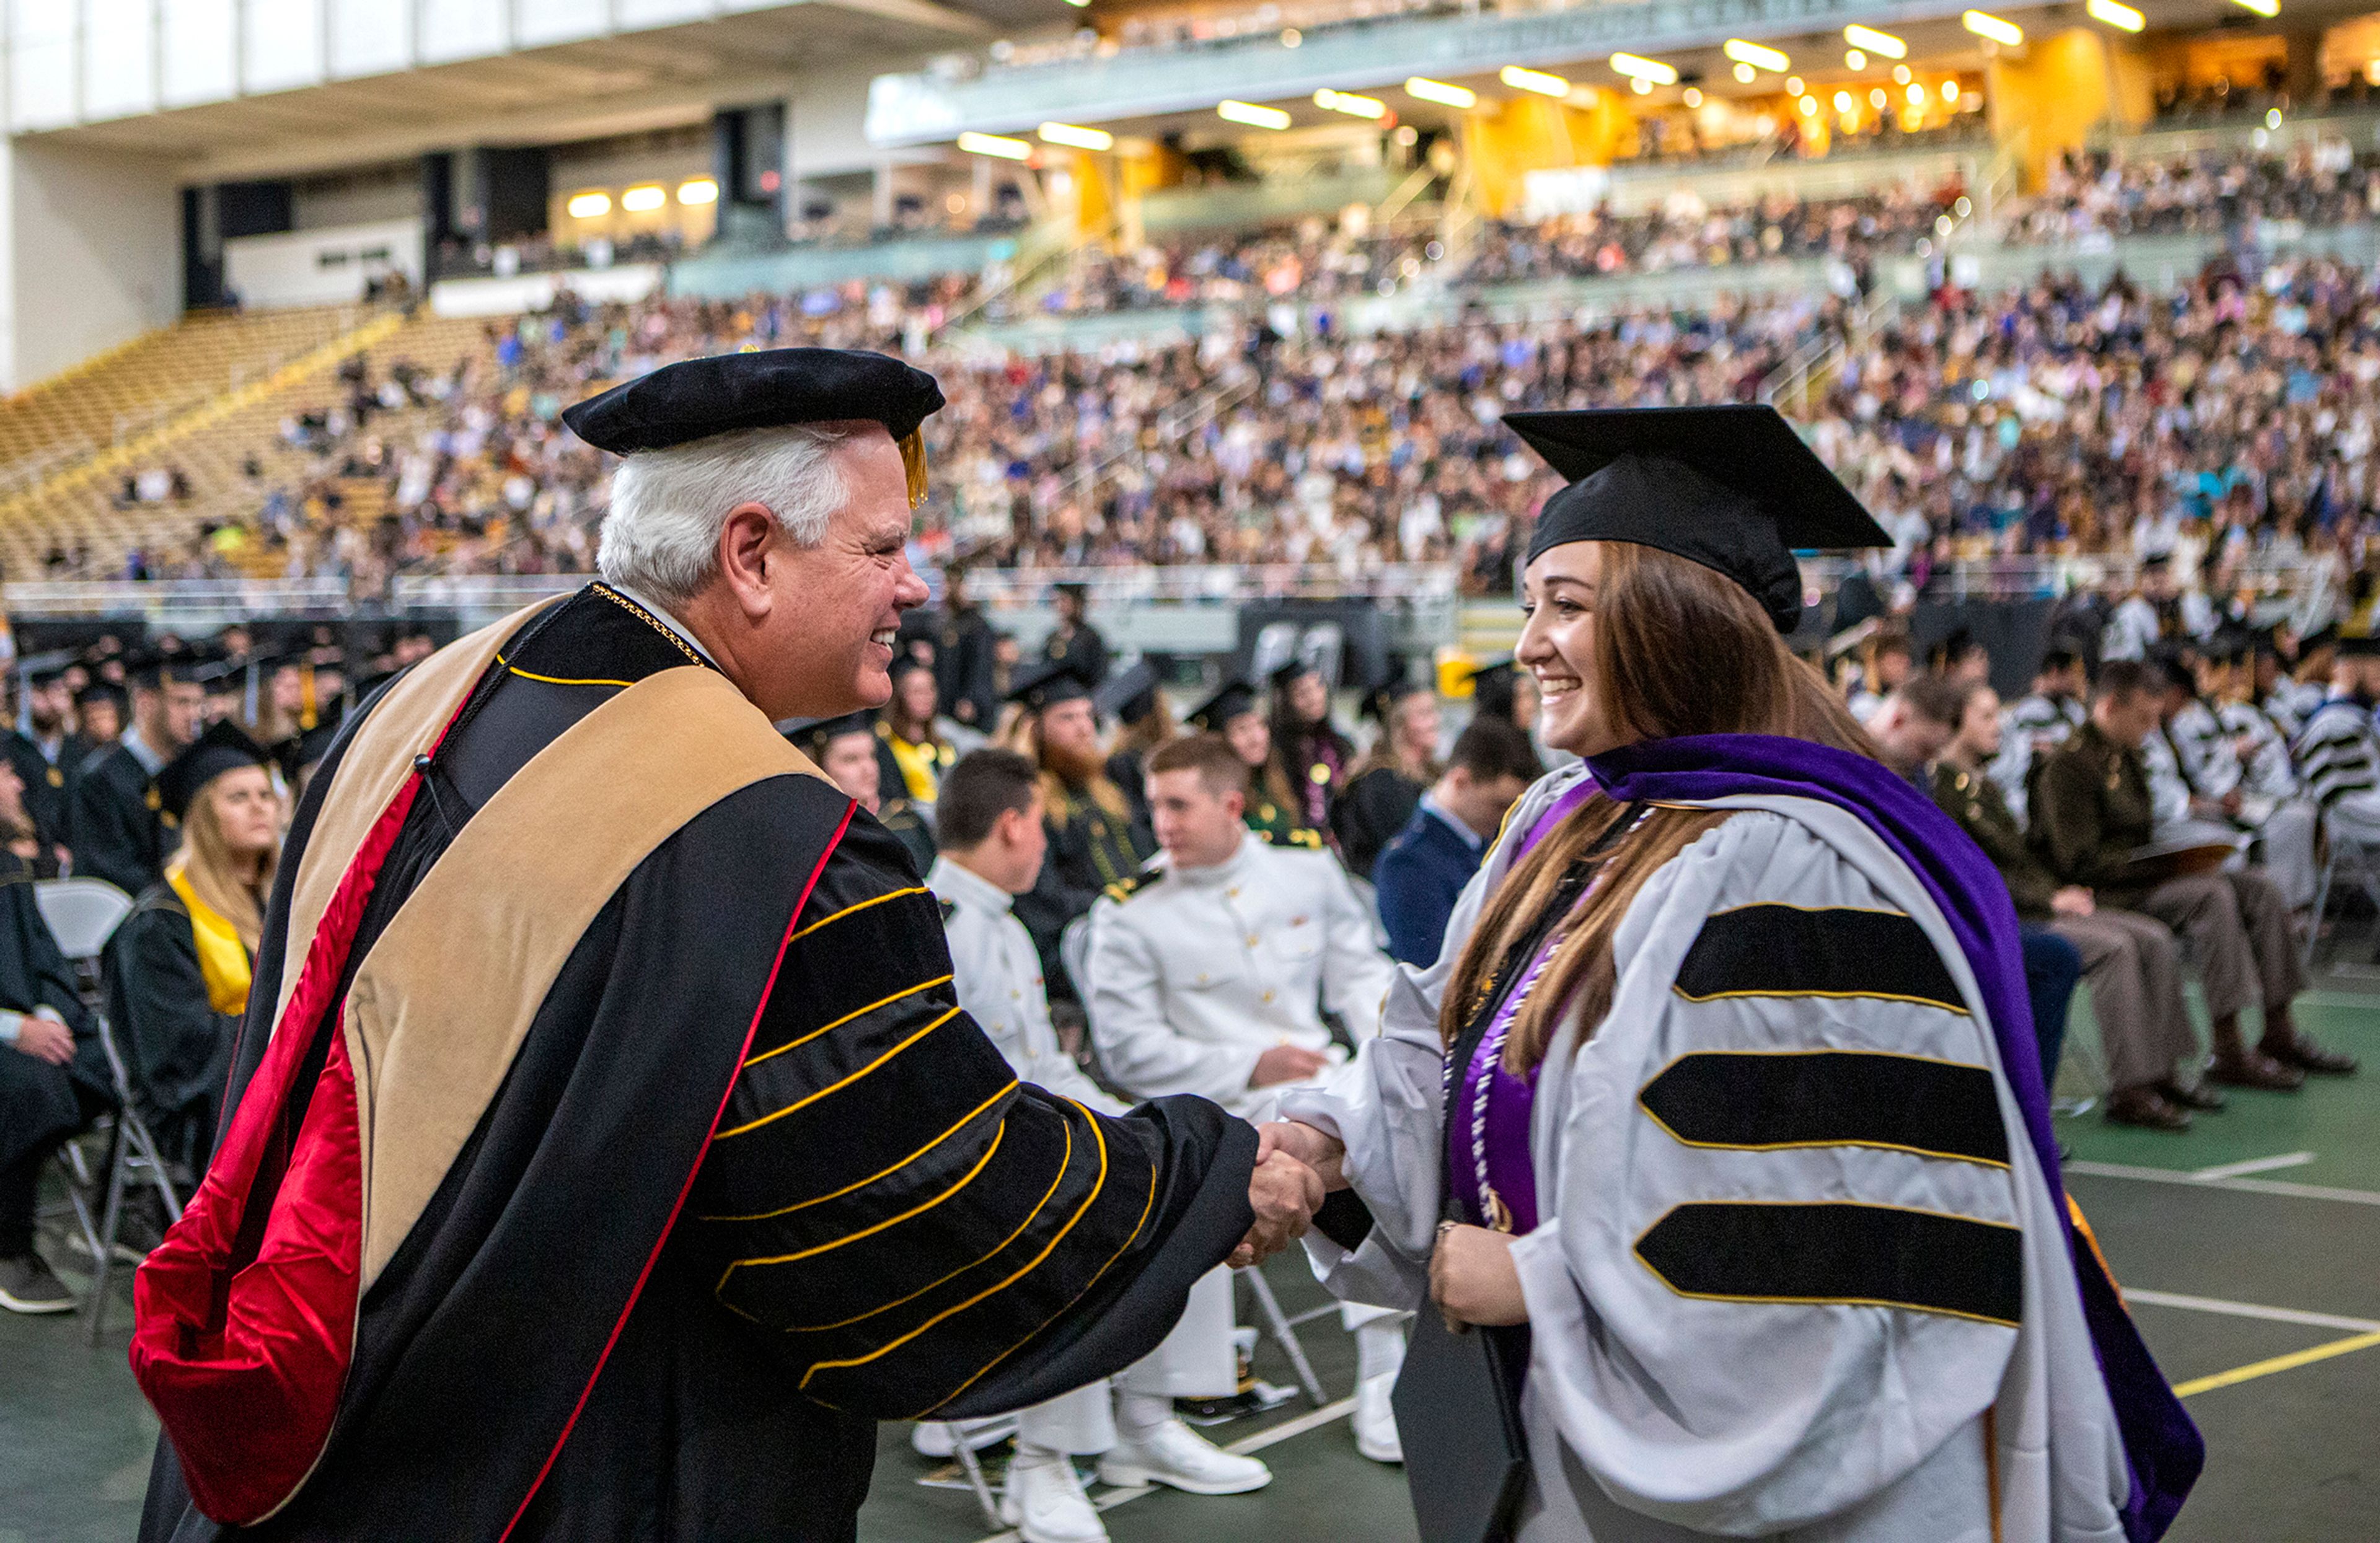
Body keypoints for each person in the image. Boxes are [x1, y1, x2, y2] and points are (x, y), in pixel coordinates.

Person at [131, 348, 1320, 1541]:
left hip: (325, 1422)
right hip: (577, 1468)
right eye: (881, 548)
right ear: (749, 555)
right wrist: (1205, 1176)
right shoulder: (770, 844)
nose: (914, 589)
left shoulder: (418, 707)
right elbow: (910, 1207)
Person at [1267, 403, 2198, 1542]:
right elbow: (1443, 1033)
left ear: (1680, 622)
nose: (1527, 646)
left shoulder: (1797, 861)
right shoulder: (1564, 818)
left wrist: (1541, 1283)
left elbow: (1847, 1210)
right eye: (1529, 607)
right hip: (1557, 1417)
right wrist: (1331, 1143)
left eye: (1566, 605)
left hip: (1729, 1477)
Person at [926, 750, 1271, 1542]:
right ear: (1013, 827)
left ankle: (1148, 1423)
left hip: (1025, 1138)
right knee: (1084, 1217)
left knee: (1200, 1170)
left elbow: (1044, 1066)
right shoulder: (941, 928)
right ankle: (1041, 1462)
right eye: (1040, 827)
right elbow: (952, 1089)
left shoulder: (1000, 925)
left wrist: (1137, 1121)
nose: (1045, 845)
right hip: (966, 1173)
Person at [1083, 732, 1409, 1467]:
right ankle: (1164, 1413)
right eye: (1154, 804)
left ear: (1232, 804)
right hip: (1215, 1097)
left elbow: (1359, 975)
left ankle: (1385, 1364)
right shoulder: (1130, 913)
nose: (1161, 822)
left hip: (1323, 1079)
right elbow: (1131, 1050)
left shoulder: (1301, 869)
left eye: (1179, 804)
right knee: (1275, 1150)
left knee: (1377, 1122)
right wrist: (1251, 1061)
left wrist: (1386, 1056)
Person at [2032, 659, 2355, 1089]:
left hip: (2142, 878)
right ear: (2110, 707)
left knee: (2259, 888)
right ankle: (2229, 1046)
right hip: (2105, 894)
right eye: (2143, 719)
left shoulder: (2124, 757)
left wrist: (2174, 857)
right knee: (2211, 895)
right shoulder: (2068, 767)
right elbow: (2077, 862)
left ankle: (2279, 1029)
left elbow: (2141, 829)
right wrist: (2162, 864)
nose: (2151, 729)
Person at [1934, 682, 2216, 1129]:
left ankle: (2163, 1070)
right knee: (2116, 947)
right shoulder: (1943, 790)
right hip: (2007, 915)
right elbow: (1977, 871)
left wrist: (2059, 891)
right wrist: (2048, 897)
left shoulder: (1979, 786)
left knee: (2153, 937)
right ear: (1955, 722)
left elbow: (2022, 858)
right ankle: (2131, 1087)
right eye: (1985, 717)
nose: (1999, 726)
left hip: (2037, 901)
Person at [1867, 676, 2087, 1086]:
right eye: (1923, 748)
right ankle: (2016, 1109)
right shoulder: (1852, 768)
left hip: (1931, 920)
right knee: (2051, 956)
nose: (1926, 760)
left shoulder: (1914, 773)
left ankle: (2021, 1108)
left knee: (2054, 954)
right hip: (1886, 930)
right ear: (1898, 719)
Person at [105, 721, 283, 1175]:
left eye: (265, 795)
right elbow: (179, 1055)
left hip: (280, 1075)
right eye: (238, 798)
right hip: (209, 1103)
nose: (259, 808)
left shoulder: (288, 899)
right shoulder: (162, 920)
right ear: (203, 816)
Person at [0, 755, 109, 1314]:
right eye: (6, 772)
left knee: (109, 1067)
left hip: (32, 1027)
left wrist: (53, 1013)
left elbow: (43, 956)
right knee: (31, 1088)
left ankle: (125, 1207)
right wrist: (18, 1028)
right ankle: (11, 1245)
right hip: (6, 1039)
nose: (19, 783)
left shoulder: (9, 865)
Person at [1006, 656, 1157, 1002]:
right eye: (1067, 718)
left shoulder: (1111, 786)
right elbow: (1045, 900)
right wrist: (1119, 904)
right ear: (1037, 729)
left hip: (1133, 928)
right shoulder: (1030, 802)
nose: (1084, 728)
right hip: (1078, 948)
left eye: (1088, 716)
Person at [1373, 718, 1541, 966]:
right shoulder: (1408, 863)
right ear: (1461, 781)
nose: (1507, 818)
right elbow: (1431, 969)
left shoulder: (1481, 841)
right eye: (1500, 805)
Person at [71, 649, 207, 897]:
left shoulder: (193, 772)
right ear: (146, 702)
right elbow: (108, 871)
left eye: (198, 703)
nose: (194, 715)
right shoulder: (100, 779)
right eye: (182, 702)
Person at [795, 711, 935, 874]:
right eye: (851, 759)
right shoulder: (812, 836)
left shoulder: (906, 824)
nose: (869, 769)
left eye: (872, 755)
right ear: (819, 767)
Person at [1333, 682, 1440, 883]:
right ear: (1398, 725)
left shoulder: (1428, 774)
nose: (1436, 721)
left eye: (1434, 712)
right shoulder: (1381, 783)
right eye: (1425, 714)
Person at [1186, 679, 1310, 844]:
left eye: (1260, 725)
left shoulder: (1275, 779)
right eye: (1242, 729)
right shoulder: (1213, 795)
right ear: (1221, 741)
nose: (1257, 738)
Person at [3, 659, 89, 867]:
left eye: (59, 692)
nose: (50, 701)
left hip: (78, 855)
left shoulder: (80, 748)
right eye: (41, 692)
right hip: (35, 856)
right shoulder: (9, 749)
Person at [1991, 646, 2087, 820]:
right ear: (2054, 672)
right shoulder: (2028, 713)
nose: (2077, 679)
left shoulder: (2075, 712)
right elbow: (2014, 764)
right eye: (2071, 673)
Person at [1269, 659, 1354, 832]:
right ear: (1286, 700)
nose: (1315, 697)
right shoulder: (1275, 749)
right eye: (1303, 693)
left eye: (1319, 686)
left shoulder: (1341, 744)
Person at [877, 654, 958, 805]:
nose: (926, 697)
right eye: (918, 691)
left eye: (930, 690)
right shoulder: (886, 742)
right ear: (901, 695)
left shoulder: (943, 740)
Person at [933, 564, 1001, 731]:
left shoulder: (977, 626)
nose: (950, 590)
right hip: (943, 701)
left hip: (965, 703)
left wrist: (970, 699)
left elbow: (981, 666)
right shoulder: (943, 623)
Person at [1041, 581, 1108, 690]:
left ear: (1077, 604)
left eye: (1064, 600)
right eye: (1057, 601)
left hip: (1082, 697)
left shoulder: (1091, 638)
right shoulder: (1052, 637)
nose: (1060, 606)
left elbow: (1099, 675)